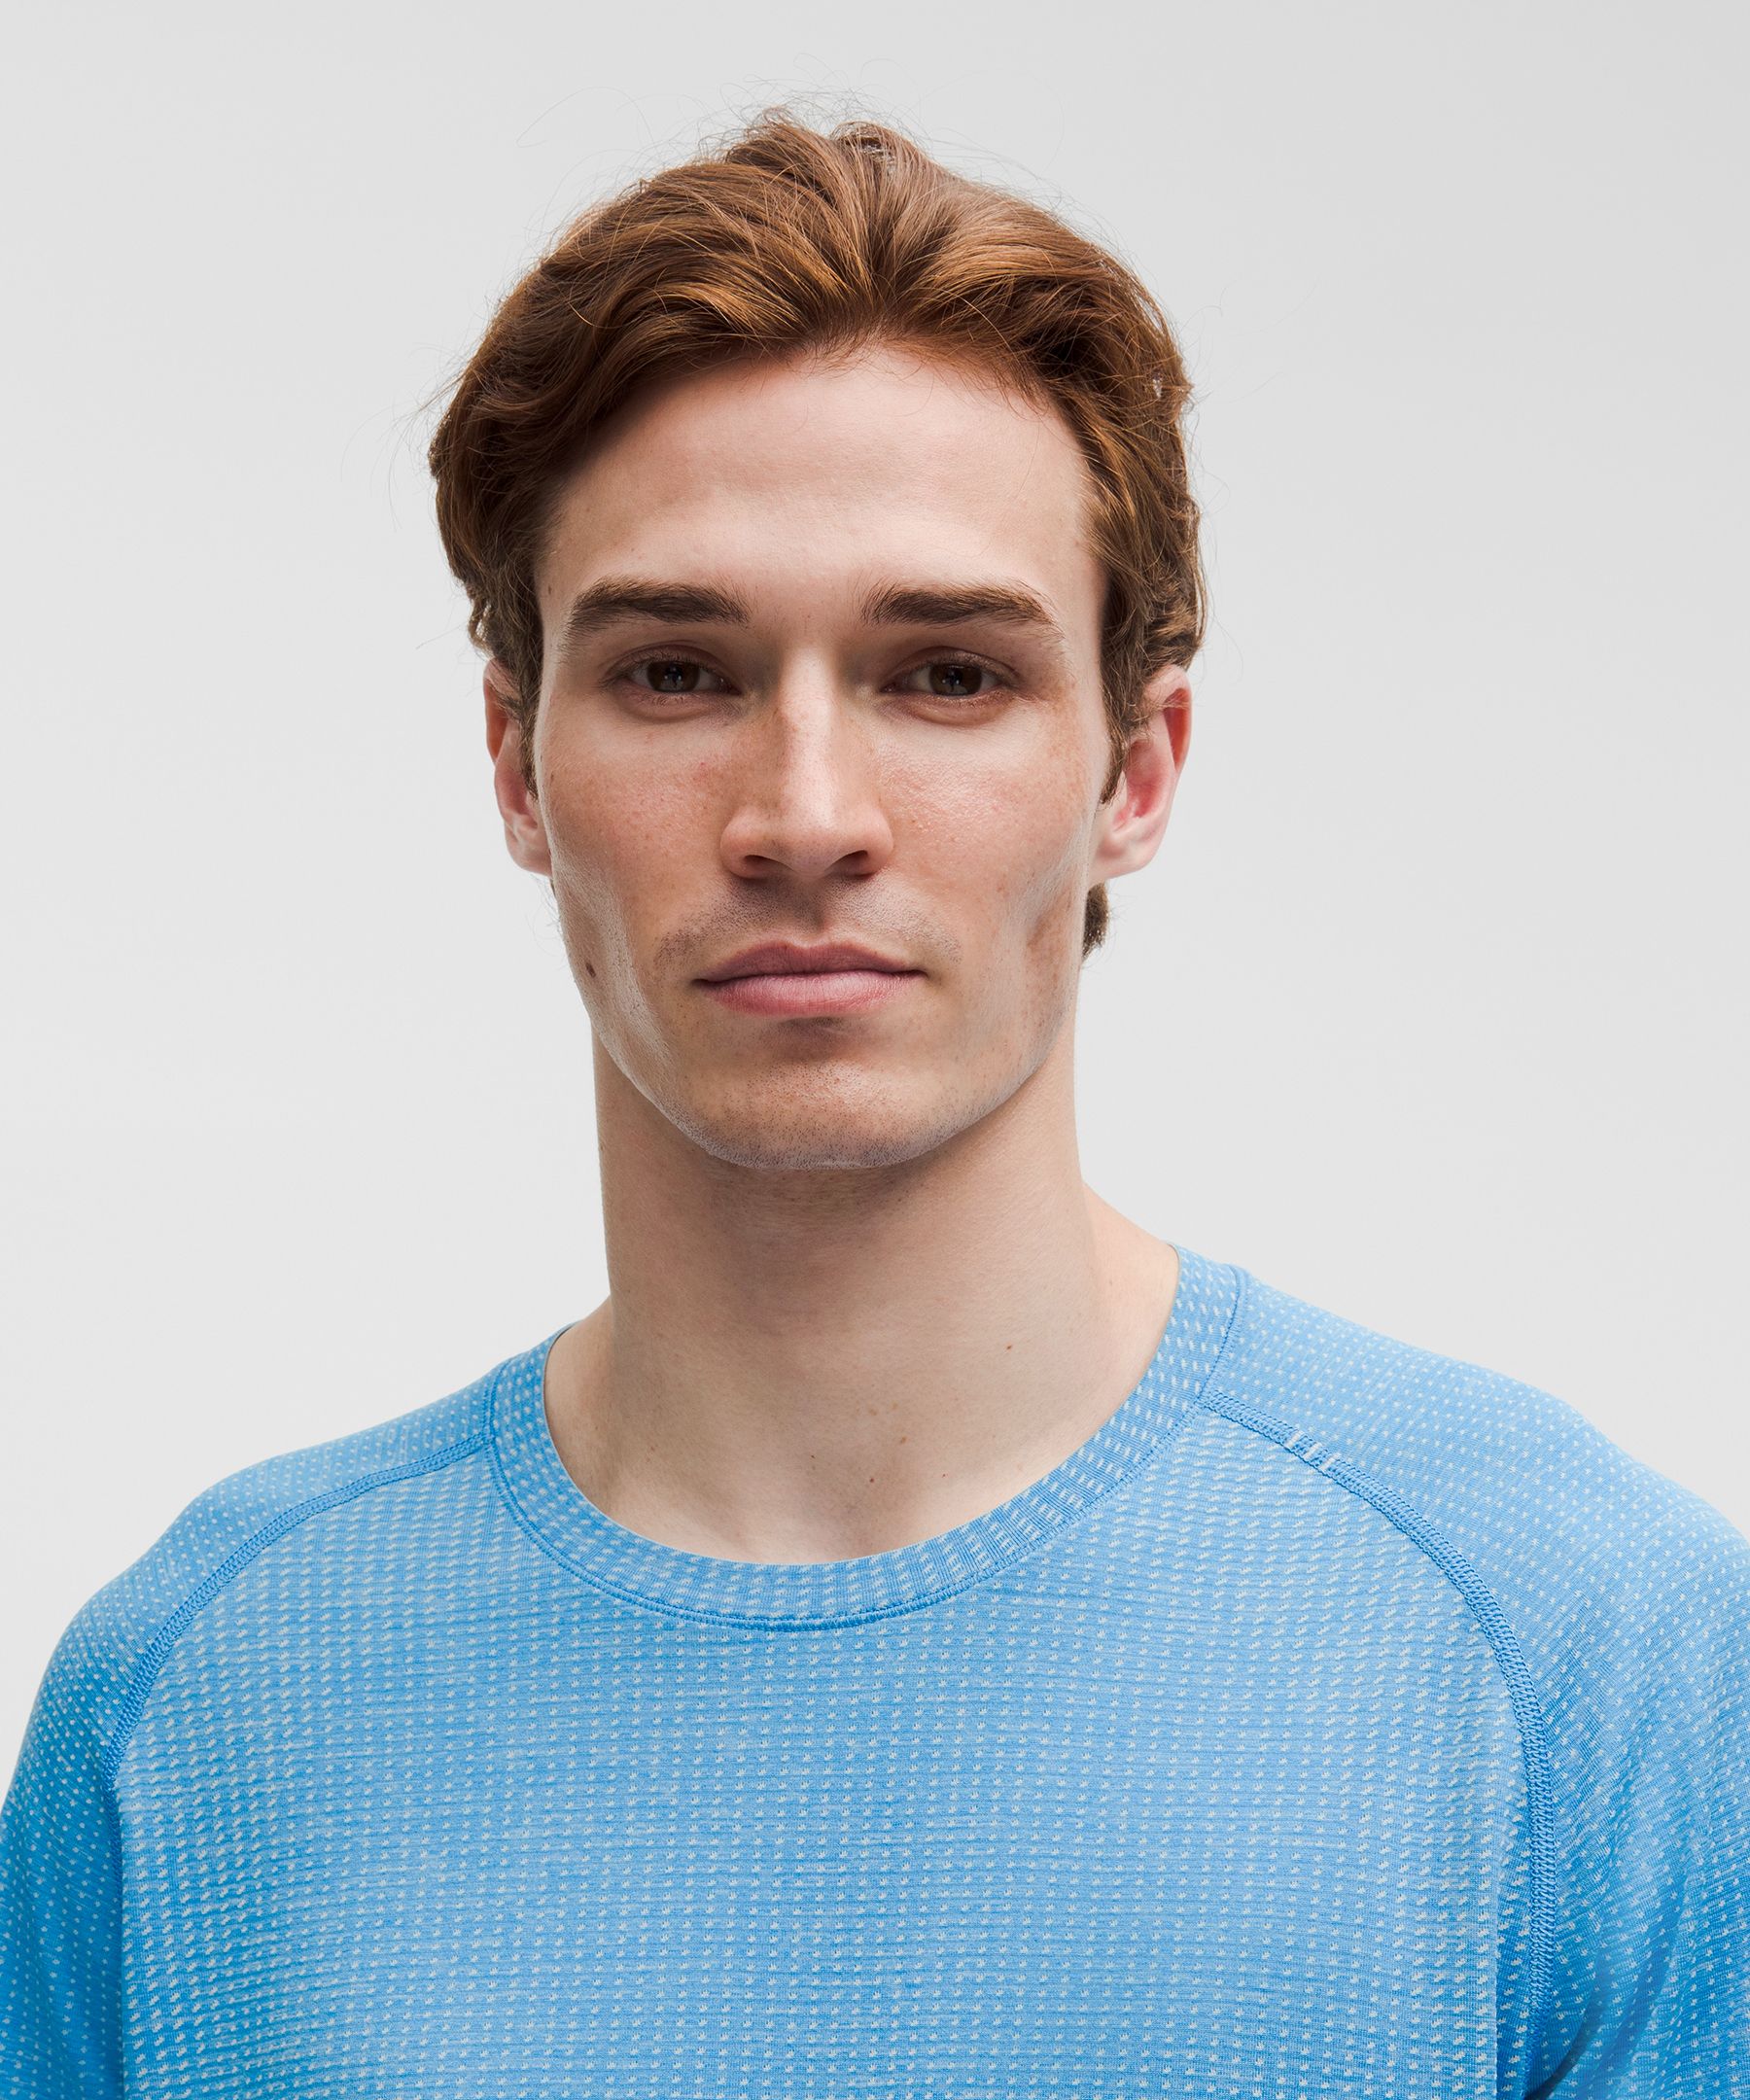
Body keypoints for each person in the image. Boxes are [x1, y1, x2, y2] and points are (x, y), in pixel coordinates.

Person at [2, 110, 1745, 2100]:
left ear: (1137, 770)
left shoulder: (1580, 1662)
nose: (807, 815)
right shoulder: (203, 1703)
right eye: (678, 673)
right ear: (515, 762)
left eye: (948, 675)